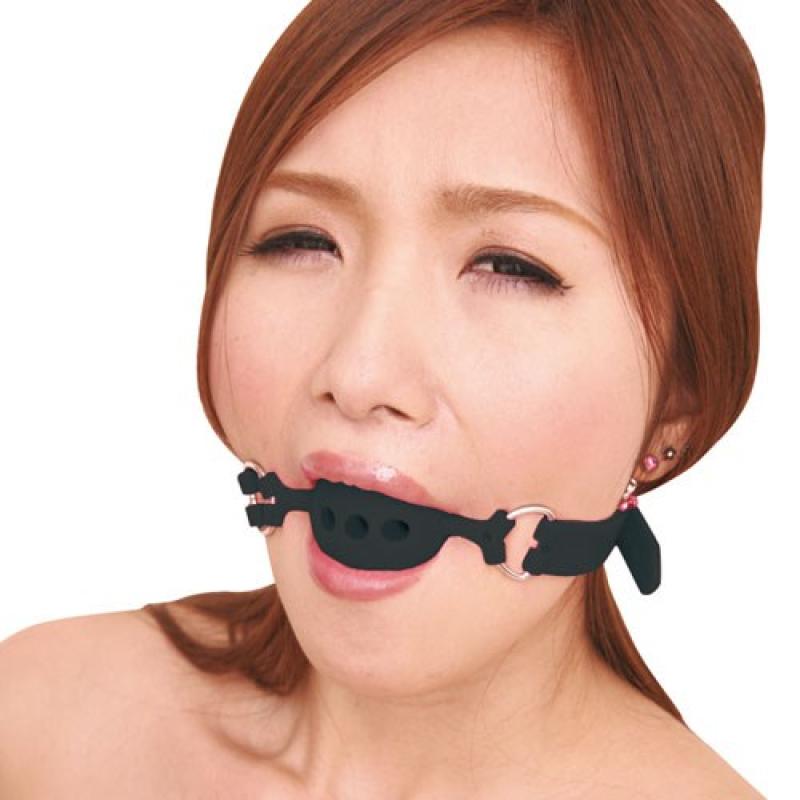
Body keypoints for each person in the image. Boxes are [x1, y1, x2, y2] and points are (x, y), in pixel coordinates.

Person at [0, 1, 766, 797]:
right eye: (302, 240)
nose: (360, 374)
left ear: (679, 398)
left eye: (510, 266)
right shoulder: (39, 725)